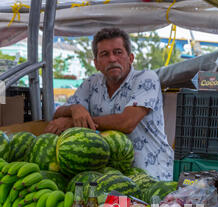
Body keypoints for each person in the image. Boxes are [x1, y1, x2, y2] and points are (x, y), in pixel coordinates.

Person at [46, 27, 174, 181]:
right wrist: (75, 109)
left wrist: (77, 122)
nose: (112, 59)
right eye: (104, 54)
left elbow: (126, 122)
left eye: (118, 52)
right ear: (96, 63)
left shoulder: (146, 79)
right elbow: (58, 114)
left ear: (131, 57)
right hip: (112, 176)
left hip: (152, 175)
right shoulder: (91, 83)